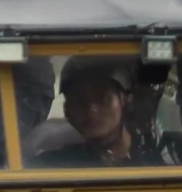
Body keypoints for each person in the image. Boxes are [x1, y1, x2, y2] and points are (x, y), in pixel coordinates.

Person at [34, 57, 162, 166]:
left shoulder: (163, 157)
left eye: (103, 98)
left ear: (126, 100)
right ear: (67, 111)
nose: (91, 109)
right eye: (79, 101)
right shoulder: (55, 165)